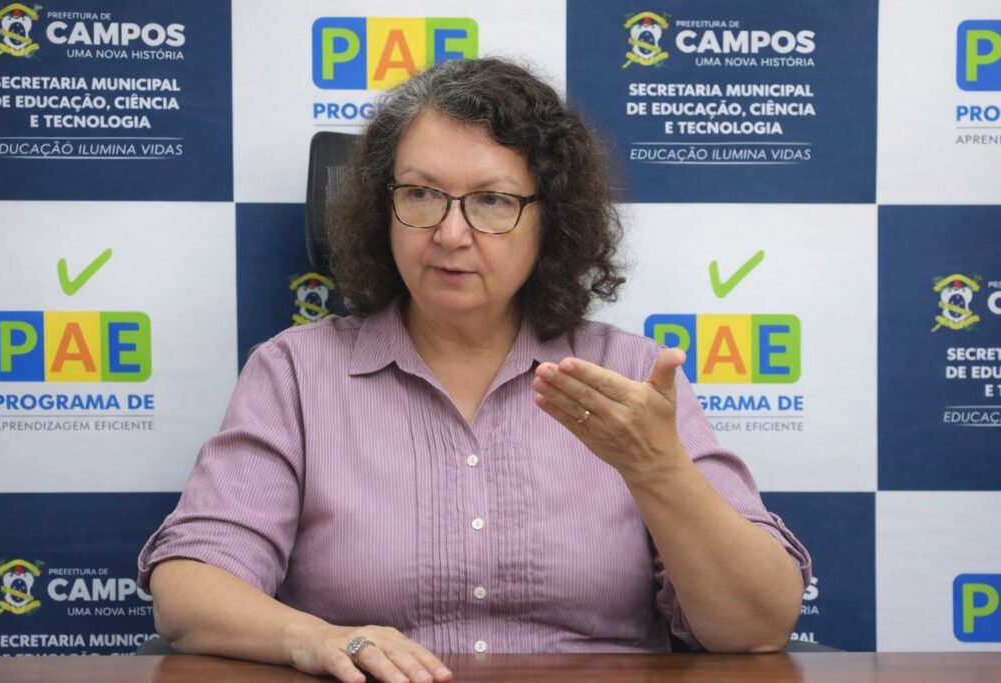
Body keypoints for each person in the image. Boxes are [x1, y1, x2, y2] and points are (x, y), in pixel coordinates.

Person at [138, 57, 811, 683]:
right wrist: (313, 637)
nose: (451, 233)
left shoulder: (629, 373)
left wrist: (659, 471)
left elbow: (757, 626)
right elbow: (188, 589)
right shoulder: (295, 373)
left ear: (551, 221)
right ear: (381, 208)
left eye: (492, 201)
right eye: (421, 194)